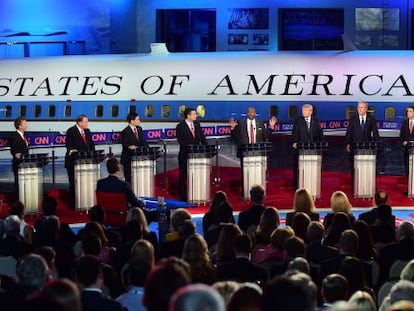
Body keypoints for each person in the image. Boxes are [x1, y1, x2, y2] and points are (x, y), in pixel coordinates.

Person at [230, 106, 276, 197]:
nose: (251, 113)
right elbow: (236, 138)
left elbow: (265, 137)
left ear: (255, 113)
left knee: (258, 172)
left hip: (258, 153)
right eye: (249, 112)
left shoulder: (260, 123)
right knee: (245, 173)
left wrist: (271, 127)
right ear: (247, 113)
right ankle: (245, 193)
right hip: (245, 153)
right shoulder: (241, 123)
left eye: (253, 112)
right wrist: (232, 129)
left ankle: (259, 193)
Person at [175, 107, 207, 201]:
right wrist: (191, 147)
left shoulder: (197, 124)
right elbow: (181, 140)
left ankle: (196, 194)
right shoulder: (180, 126)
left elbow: (202, 138)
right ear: (188, 116)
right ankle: (183, 197)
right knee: (183, 176)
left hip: (197, 156)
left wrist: (206, 148)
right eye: (194, 114)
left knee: (195, 175)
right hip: (185, 155)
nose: (196, 115)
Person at [345, 101, 380, 186]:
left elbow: (375, 133)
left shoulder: (371, 119)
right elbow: (349, 132)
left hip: (367, 148)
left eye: (362, 107)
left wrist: (376, 144)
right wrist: (348, 144)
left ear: (366, 109)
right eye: (359, 107)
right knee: (355, 167)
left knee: (367, 167)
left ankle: (367, 184)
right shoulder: (353, 119)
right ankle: (355, 185)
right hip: (355, 147)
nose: (360, 109)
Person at [65, 115, 95, 210]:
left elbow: (91, 145)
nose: (87, 123)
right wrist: (75, 151)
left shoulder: (87, 131)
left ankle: (85, 202)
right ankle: (73, 205)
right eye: (85, 122)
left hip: (85, 162)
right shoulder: (71, 131)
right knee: (74, 183)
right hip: (73, 162)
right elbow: (69, 146)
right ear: (79, 122)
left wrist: (93, 154)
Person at [291, 104, 323, 190]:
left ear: (310, 111)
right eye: (302, 110)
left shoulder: (316, 121)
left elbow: (319, 135)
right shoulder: (298, 120)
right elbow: (294, 133)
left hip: (313, 151)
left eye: (305, 110)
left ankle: (312, 187)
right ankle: (298, 189)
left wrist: (318, 144)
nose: (303, 112)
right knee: (299, 170)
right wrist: (294, 142)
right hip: (301, 150)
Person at [121, 112, 148, 184]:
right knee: (129, 180)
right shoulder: (125, 131)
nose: (139, 121)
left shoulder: (139, 129)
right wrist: (129, 146)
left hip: (139, 158)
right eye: (138, 119)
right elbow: (125, 144)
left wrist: (148, 148)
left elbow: (143, 142)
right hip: (128, 159)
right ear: (132, 121)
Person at [9, 116, 29, 201]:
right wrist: (17, 154)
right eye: (24, 124)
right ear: (19, 126)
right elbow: (14, 150)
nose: (26, 125)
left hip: (25, 164)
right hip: (18, 164)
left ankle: (24, 201)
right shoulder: (15, 136)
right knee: (19, 185)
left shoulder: (24, 136)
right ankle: (17, 203)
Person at [400, 106, 414, 195]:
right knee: (408, 170)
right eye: (407, 111)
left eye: (410, 111)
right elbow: (401, 136)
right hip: (407, 151)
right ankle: (410, 189)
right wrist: (403, 142)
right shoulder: (404, 123)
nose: (408, 113)